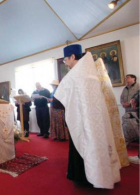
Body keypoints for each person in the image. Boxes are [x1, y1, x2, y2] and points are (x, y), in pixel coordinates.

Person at [55, 44, 121, 189]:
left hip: (81, 119)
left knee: (81, 144)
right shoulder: (91, 72)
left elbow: (59, 96)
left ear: (73, 56)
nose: (65, 63)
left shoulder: (75, 74)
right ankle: (101, 175)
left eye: (66, 59)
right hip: (95, 118)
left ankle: (83, 179)